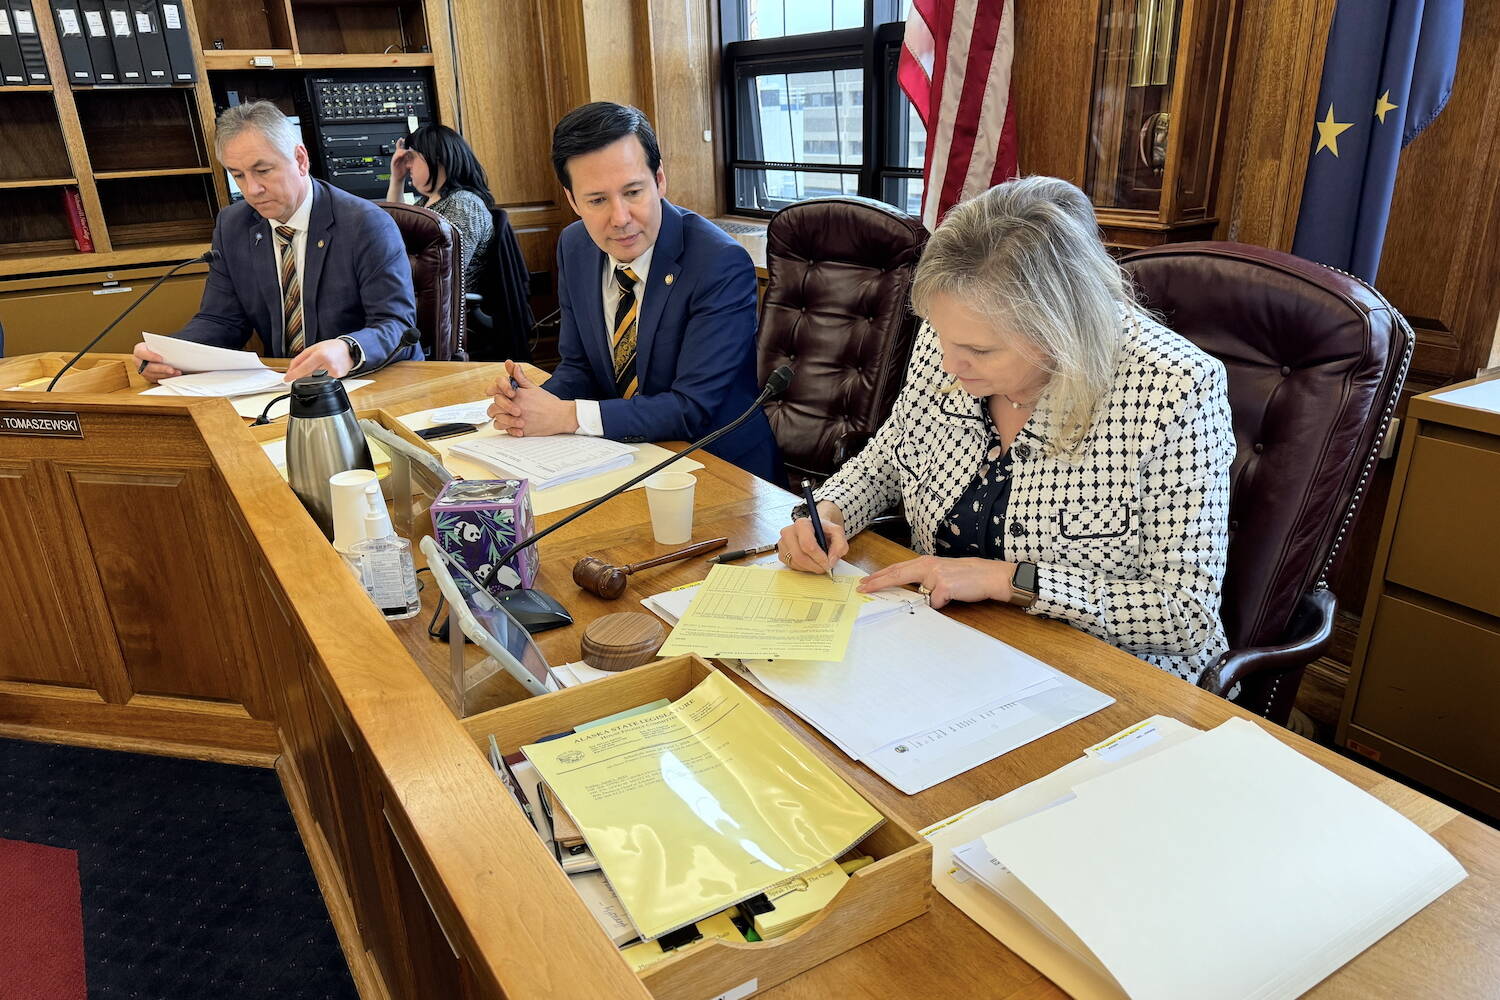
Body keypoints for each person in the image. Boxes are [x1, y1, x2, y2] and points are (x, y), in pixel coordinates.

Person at [778, 176, 1235, 685]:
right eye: (943, 339)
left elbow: (1185, 615)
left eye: (980, 351)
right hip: (945, 648)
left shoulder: (1174, 388)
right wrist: (825, 513)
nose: (951, 364)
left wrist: (1011, 581)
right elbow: (888, 458)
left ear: (1060, 330)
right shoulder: (953, 331)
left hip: (1105, 677)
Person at [486, 102, 779, 482]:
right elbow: (579, 367)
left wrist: (567, 415)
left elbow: (691, 408)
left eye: (633, 192)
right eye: (597, 200)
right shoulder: (575, 246)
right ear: (573, 200)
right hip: (621, 457)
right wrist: (526, 402)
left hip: (716, 468)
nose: (620, 218)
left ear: (659, 180)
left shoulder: (719, 262)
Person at [133, 101, 419, 382]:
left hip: (368, 379)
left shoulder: (366, 224)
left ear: (300, 160)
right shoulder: (233, 225)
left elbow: (397, 325)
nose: (252, 189)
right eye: (238, 176)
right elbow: (222, 320)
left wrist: (348, 348)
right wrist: (169, 353)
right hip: (281, 385)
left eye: (263, 171)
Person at [386, 124, 494, 288]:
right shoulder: (426, 203)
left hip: (447, 309)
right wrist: (397, 179)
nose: (407, 166)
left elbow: (442, 271)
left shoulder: (464, 204)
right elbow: (395, 229)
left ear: (436, 157)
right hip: (423, 299)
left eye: (411, 157)